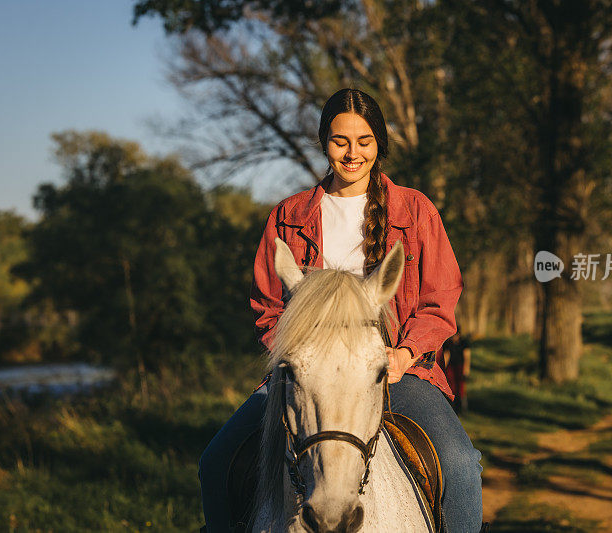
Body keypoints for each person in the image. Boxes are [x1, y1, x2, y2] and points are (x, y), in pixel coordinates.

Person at [199, 88, 483, 532]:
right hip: (307, 374)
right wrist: (298, 358)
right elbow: (268, 305)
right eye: (340, 141)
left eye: (364, 141)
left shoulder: (417, 210)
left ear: (379, 144)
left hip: (398, 372)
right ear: (323, 142)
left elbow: (440, 300)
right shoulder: (286, 216)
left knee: (463, 466)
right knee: (215, 465)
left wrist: (404, 354)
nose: (352, 154)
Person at [442, 327, 472, 414]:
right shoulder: (448, 343)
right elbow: (447, 355)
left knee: (461, 387)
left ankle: (462, 407)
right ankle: (452, 406)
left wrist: (466, 370)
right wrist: (443, 369)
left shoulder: (464, 343)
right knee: (451, 386)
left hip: (460, 365)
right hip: (451, 366)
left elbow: (467, 357)